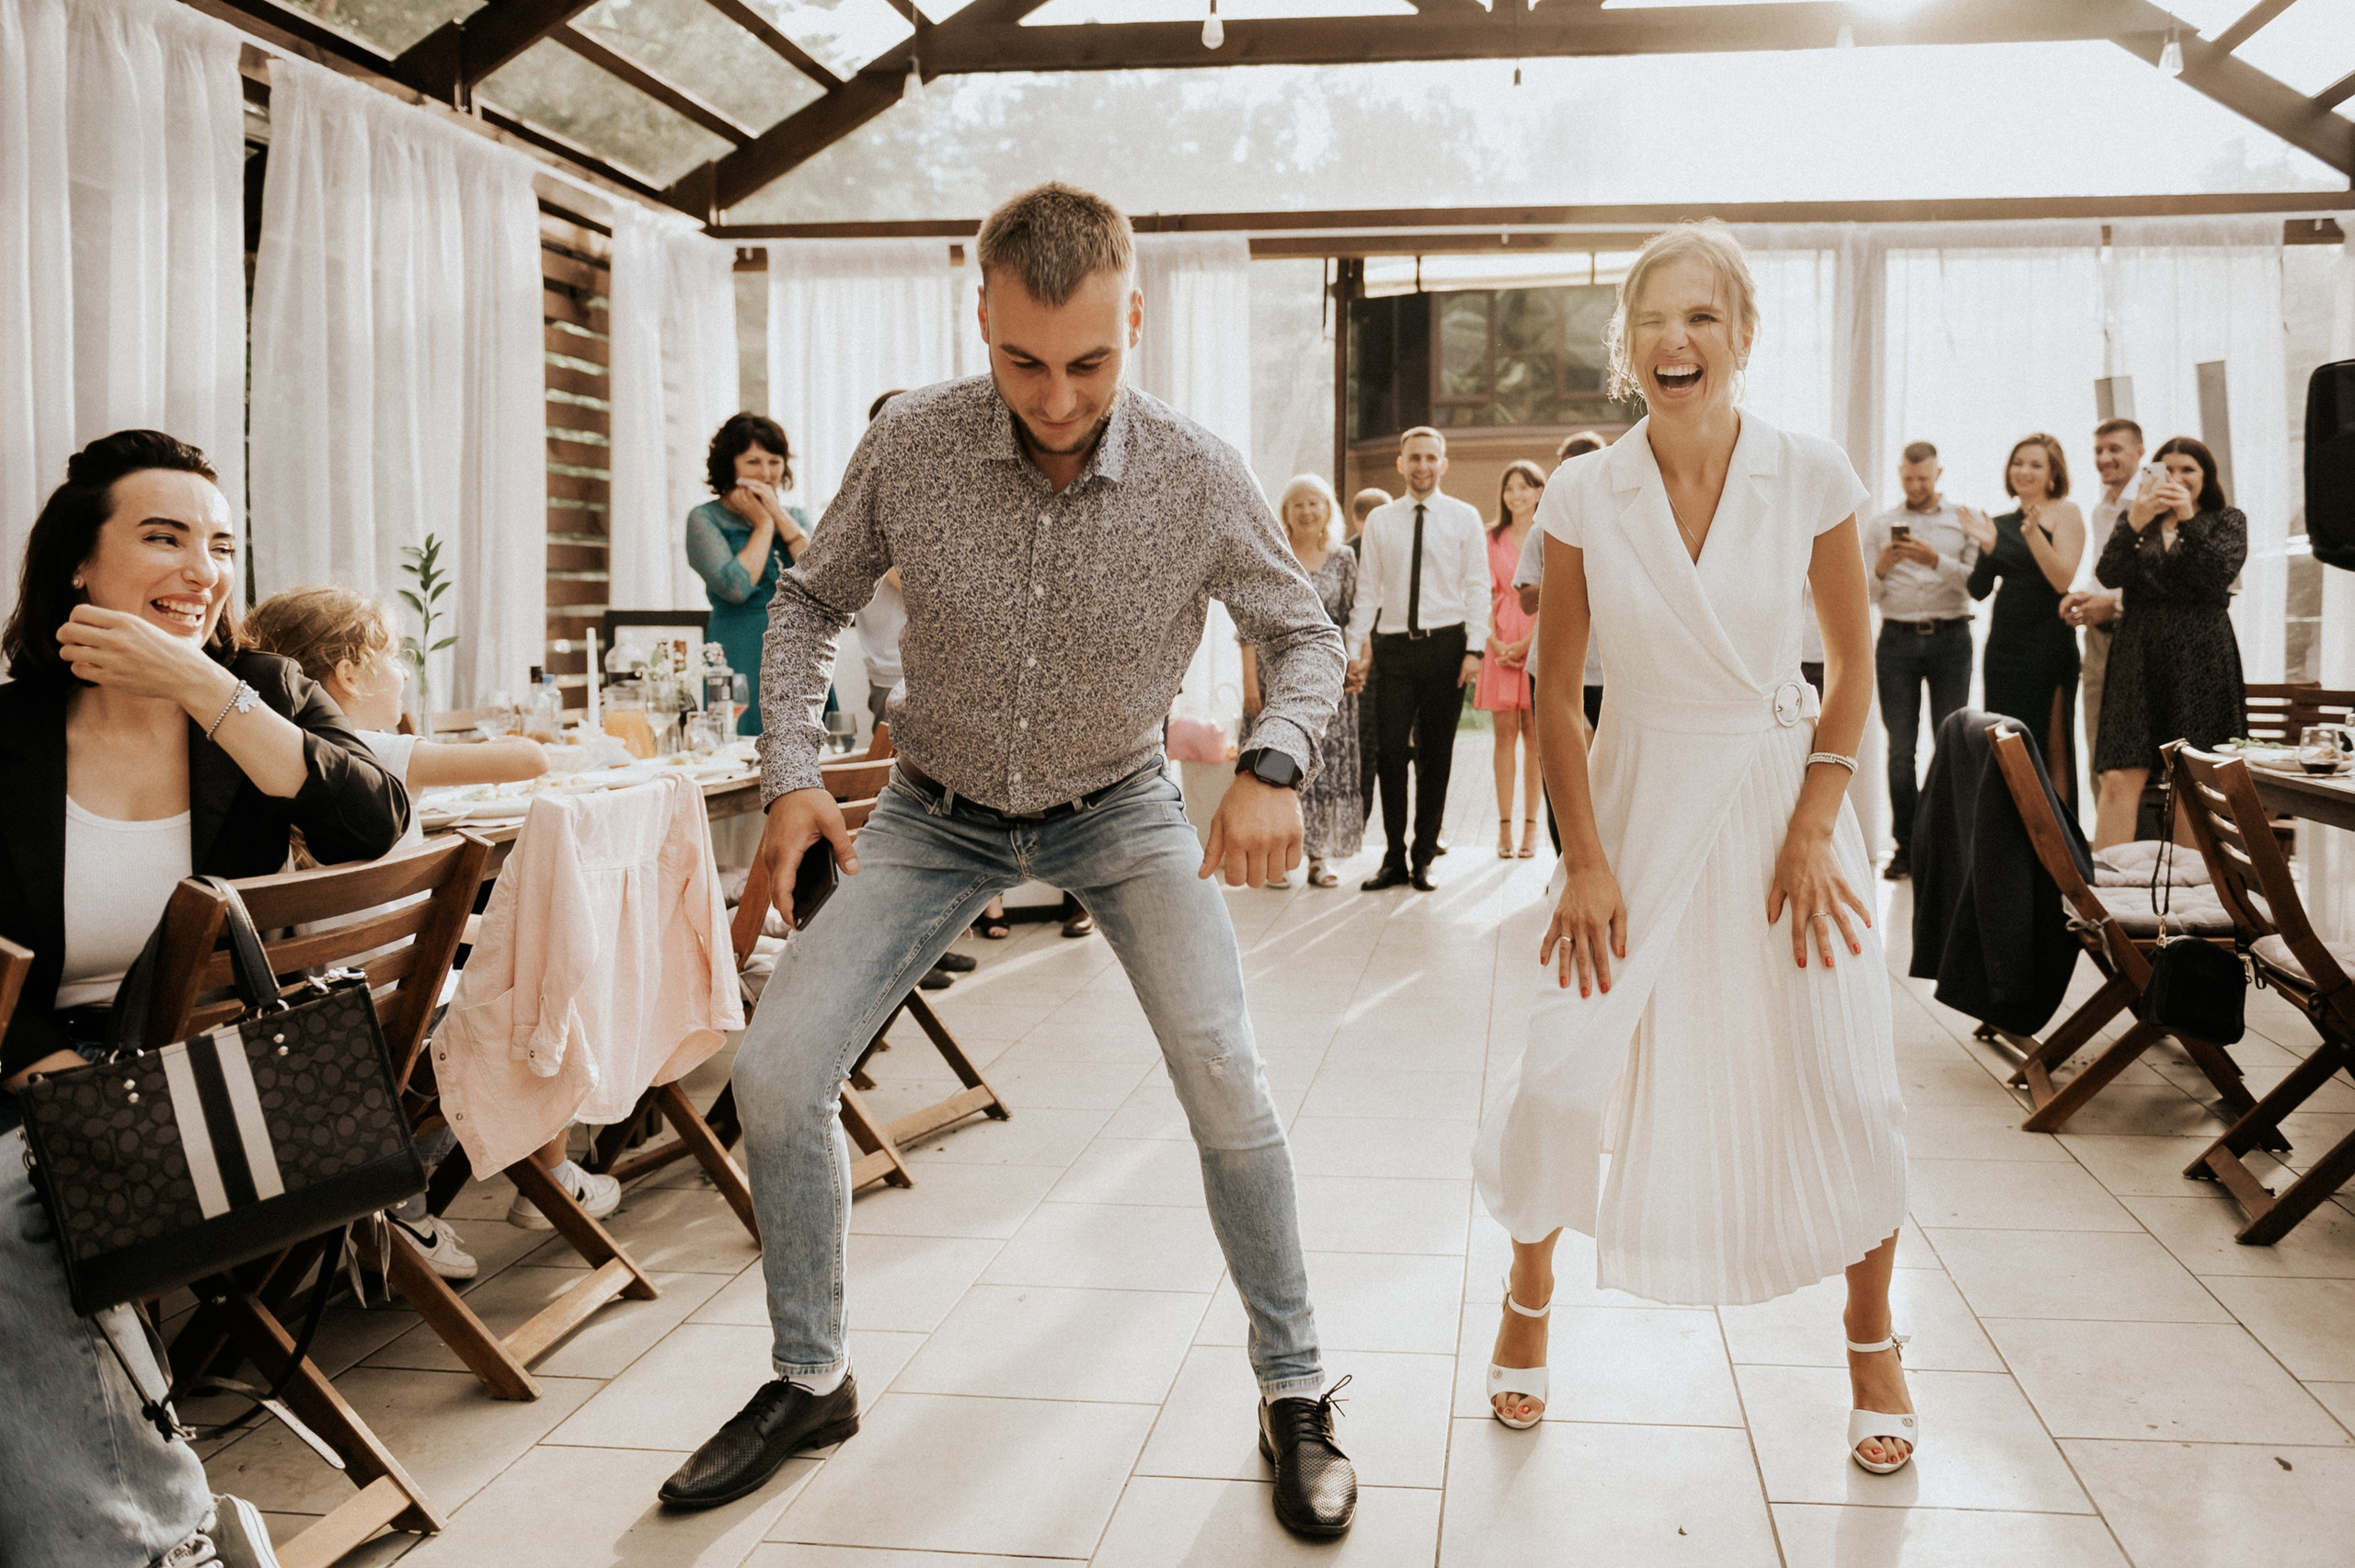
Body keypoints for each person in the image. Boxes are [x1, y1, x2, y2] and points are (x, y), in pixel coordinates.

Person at [661, 183, 1358, 1539]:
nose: (1055, 395)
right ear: (981, 316)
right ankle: (812, 1373)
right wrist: (795, 776)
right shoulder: (912, 446)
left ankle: (1296, 1387)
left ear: (1135, 319)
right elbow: (806, 604)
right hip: (937, 808)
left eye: (1091, 361)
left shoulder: (1199, 471)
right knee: (778, 1069)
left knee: (1224, 1069)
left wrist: (1273, 760)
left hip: (1122, 802)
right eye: (1023, 360)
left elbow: (1307, 632)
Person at [1472, 225, 1913, 1475]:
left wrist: (1818, 826)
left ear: (1744, 335)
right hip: (1638, 793)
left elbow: (1852, 669)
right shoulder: (1582, 492)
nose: (1679, 340)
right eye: (1654, 321)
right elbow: (1558, 695)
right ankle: (1528, 1288)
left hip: (1784, 799)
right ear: (1628, 349)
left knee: (1844, 1073)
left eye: (1703, 319)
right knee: (1564, 1068)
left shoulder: (1811, 472)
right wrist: (1587, 857)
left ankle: (1872, 1333)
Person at [0, 429, 410, 1568]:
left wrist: (196, 679)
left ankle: (151, 1546)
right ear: (79, 564)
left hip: (211, 1086)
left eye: (220, 545)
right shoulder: (14, 732)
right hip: (40, 1074)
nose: (202, 567)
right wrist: (45, 1072)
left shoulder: (260, 692)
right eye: (164, 536)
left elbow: (369, 815)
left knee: (10, 1213)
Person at [246, 585, 592, 1265]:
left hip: (317, 1013)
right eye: (395, 656)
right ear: (348, 671)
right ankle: (478, 1187)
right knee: (545, 980)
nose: (405, 671)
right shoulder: (368, 753)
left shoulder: (270, 761)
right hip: (392, 1026)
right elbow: (530, 759)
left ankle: (399, 1206)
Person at [1346, 429, 1488, 890]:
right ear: (1401, 464)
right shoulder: (1383, 521)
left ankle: (1424, 854)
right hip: (1394, 648)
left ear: (1443, 464)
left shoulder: (1464, 518)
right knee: (1389, 752)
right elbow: (1368, 590)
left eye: (1431, 457)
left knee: (1436, 753)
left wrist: (1475, 648)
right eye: (1414, 458)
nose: (1423, 465)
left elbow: (1477, 586)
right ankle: (1393, 857)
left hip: (1445, 646)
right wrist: (1354, 650)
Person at [2089, 436, 2247, 848]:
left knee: (2191, 781)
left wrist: (2188, 518)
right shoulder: (2137, 523)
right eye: (2166, 470)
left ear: (2205, 477)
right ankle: (2109, 897)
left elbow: (2216, 574)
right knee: (2120, 774)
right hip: (2137, 656)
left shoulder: (2228, 520)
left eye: (2187, 470)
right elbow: (2108, 573)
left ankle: (2186, 898)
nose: (2176, 478)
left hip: (2201, 657)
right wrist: (2135, 522)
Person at [1860, 441, 1979, 880]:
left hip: (1952, 637)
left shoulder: (1961, 521)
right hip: (1896, 641)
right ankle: (1906, 847)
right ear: (1899, 474)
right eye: (1908, 478)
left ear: (1938, 474)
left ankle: (1943, 843)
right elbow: (1863, 597)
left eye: (1923, 478)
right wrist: (1882, 568)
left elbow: (1975, 581)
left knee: (1950, 744)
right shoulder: (1881, 525)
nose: (1915, 486)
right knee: (1900, 750)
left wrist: (1934, 559)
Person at [1244, 475, 1366, 887]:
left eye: (1315, 503)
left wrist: (1357, 663)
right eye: (1298, 504)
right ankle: (1275, 859)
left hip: (1328, 681)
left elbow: (1354, 618)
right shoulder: (1273, 554)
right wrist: (1250, 684)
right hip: (1274, 676)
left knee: (1325, 769)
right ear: (1286, 513)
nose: (1307, 511)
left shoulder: (1343, 559)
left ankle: (1318, 857)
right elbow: (1249, 626)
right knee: (1277, 762)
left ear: (1328, 509)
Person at [1963, 435, 2085, 807]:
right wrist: (1987, 548)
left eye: (2035, 464)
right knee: (2006, 744)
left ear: (2052, 474)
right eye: (2018, 463)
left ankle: (2061, 848)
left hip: (2048, 644)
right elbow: (1978, 589)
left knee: (2052, 745)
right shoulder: (1997, 524)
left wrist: (2024, 538)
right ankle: (2012, 846)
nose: (2024, 471)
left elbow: (2061, 579)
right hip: (2004, 646)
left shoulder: (2066, 513)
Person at [686, 413, 811, 736]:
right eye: (754, 462)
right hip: (739, 646)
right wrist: (763, 524)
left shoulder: (795, 516)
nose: (767, 473)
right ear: (731, 464)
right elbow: (737, 588)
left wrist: (778, 516)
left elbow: (820, 576)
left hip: (799, 648)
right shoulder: (705, 519)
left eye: (775, 461)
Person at [1515, 433, 1609, 856]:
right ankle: (1565, 867)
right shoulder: (1544, 530)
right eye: (1565, 469)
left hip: (1615, 670)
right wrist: (1578, 577)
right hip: (1553, 669)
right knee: (1559, 772)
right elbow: (1526, 596)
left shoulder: (1626, 523)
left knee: (1615, 772)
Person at [2060, 418, 2143, 777]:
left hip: (2136, 636)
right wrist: (2084, 597)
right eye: (2099, 450)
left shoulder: (2150, 502)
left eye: (2115, 449)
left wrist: (2113, 604)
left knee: (2131, 755)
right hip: (2097, 639)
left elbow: (2157, 576)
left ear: (2140, 452)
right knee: (2097, 746)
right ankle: (2110, 837)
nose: (2105, 458)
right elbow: (2104, 574)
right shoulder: (2101, 509)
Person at [1477, 461, 1546, 858]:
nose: (1516, 495)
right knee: (1503, 736)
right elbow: (1480, 591)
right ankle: (1504, 829)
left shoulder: (1549, 533)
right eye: (1509, 488)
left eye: (1525, 487)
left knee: (1536, 739)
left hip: (1541, 635)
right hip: (1499, 637)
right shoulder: (1491, 536)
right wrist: (1494, 641)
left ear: (1539, 491)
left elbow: (1553, 591)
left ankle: (1531, 831)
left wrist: (1528, 645)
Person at [1346, 486, 1391, 820]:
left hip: (1390, 660)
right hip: (1361, 662)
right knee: (1362, 745)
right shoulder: (1347, 555)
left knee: (1394, 748)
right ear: (1358, 521)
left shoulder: (1397, 550)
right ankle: (1358, 820)